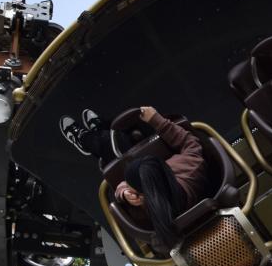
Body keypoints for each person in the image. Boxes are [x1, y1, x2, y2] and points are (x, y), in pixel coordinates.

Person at [63, 105, 208, 251]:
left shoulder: (141, 208)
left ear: (141, 195)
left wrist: (122, 193)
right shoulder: (191, 169)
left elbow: (120, 191)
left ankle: (87, 139)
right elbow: (191, 143)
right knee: (128, 138)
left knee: (113, 144)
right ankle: (100, 130)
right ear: (164, 168)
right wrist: (158, 121)